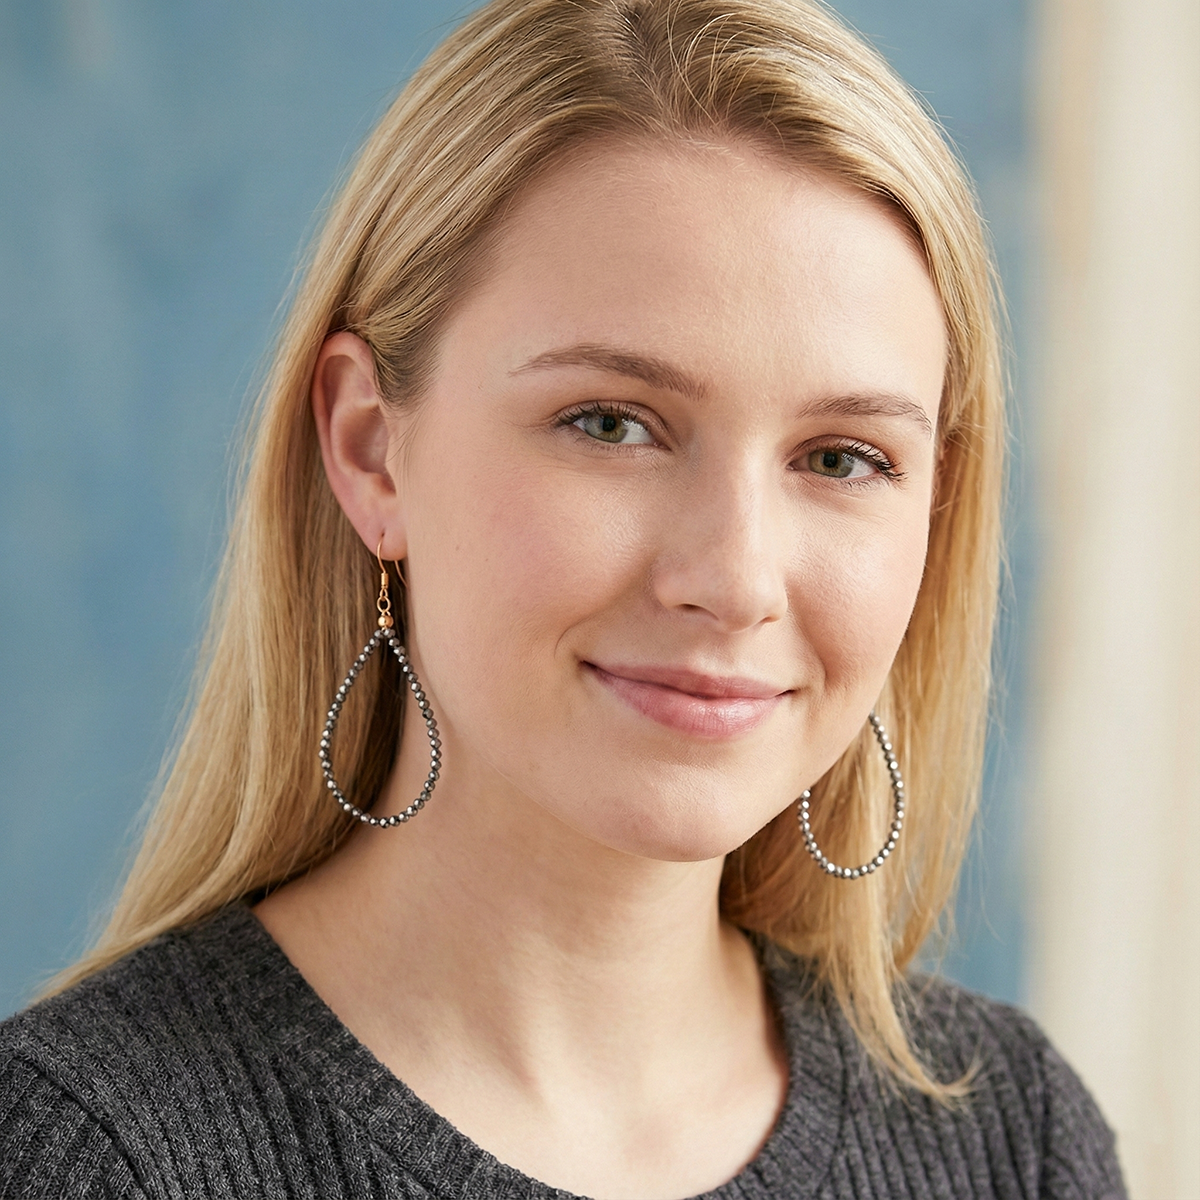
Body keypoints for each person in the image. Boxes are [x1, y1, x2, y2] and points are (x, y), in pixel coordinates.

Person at [0, 1, 1126, 1196]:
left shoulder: (1015, 1142)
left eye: (842, 457)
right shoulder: (88, 1156)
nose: (735, 580)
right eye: (610, 424)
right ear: (373, 449)